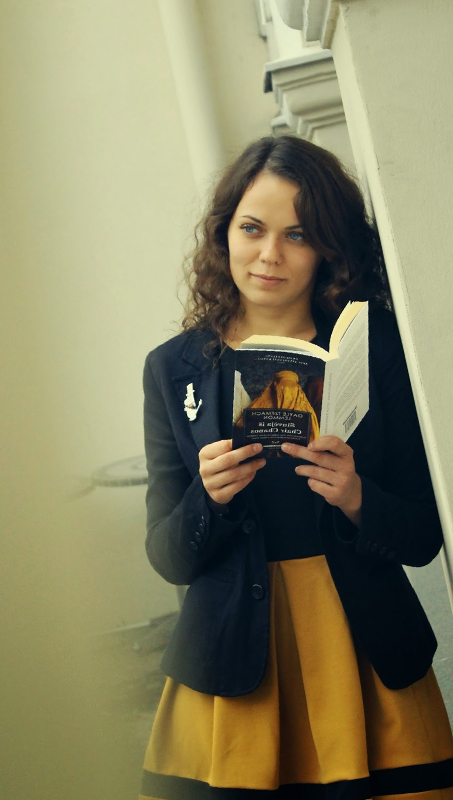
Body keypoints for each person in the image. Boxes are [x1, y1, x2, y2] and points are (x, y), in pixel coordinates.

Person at [139, 135, 453, 800]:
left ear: (330, 249)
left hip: (366, 652)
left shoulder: (379, 348)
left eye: (299, 234)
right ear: (225, 232)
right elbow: (168, 557)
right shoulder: (174, 368)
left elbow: (425, 536)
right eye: (252, 228)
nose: (270, 255)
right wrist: (209, 499)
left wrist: (358, 497)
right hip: (233, 665)